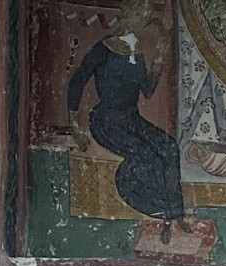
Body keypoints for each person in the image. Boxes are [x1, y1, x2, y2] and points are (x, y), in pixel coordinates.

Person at [67, 7, 188, 226]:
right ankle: (158, 211)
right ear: (126, 15)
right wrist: (74, 124)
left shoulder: (136, 50)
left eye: (143, 17)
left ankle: (177, 213)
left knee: (170, 147)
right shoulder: (104, 48)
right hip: (106, 121)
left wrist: (158, 59)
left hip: (132, 119)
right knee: (147, 156)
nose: (139, 21)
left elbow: (147, 91)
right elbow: (78, 80)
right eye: (137, 15)